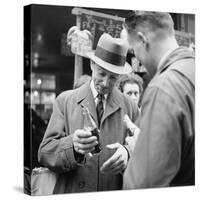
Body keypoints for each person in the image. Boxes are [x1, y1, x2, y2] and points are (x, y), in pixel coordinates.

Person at [38, 33, 140, 193]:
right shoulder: (65, 100)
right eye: (101, 73)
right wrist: (72, 146)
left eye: (113, 78)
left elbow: (144, 150)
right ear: (92, 65)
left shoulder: (130, 107)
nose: (106, 83)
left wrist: (128, 152)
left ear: (120, 76)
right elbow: (44, 153)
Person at [123, 11, 195, 188]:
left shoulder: (163, 87)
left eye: (134, 50)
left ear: (143, 40)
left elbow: (142, 184)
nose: (137, 58)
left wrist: (139, 149)